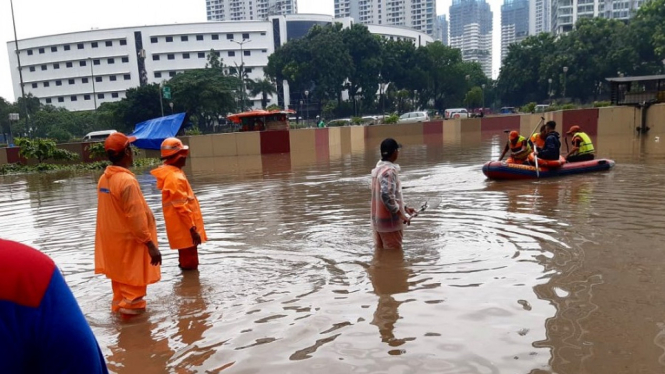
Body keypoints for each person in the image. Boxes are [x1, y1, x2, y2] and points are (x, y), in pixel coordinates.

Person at [0, 239, 109, 373]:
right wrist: (143, 237)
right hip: (129, 256)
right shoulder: (27, 271)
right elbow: (78, 358)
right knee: (132, 297)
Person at [95, 132, 162, 316]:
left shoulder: (104, 179)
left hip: (114, 248)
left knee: (120, 292)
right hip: (130, 247)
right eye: (131, 149)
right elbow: (136, 217)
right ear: (126, 151)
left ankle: (122, 333)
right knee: (133, 296)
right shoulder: (126, 181)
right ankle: (135, 336)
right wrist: (150, 245)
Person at [151, 137, 207, 271]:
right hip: (186, 231)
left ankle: (186, 288)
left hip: (181, 230)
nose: (186, 158)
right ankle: (191, 290)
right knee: (190, 265)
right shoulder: (175, 178)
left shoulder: (172, 175)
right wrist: (193, 230)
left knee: (186, 263)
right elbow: (181, 206)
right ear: (179, 156)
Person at [371, 138, 418, 251]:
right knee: (394, 253)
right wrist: (400, 214)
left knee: (381, 253)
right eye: (397, 150)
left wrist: (405, 207)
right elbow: (387, 195)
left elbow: (390, 194)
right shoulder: (389, 171)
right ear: (394, 152)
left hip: (378, 221)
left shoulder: (378, 169)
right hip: (389, 224)